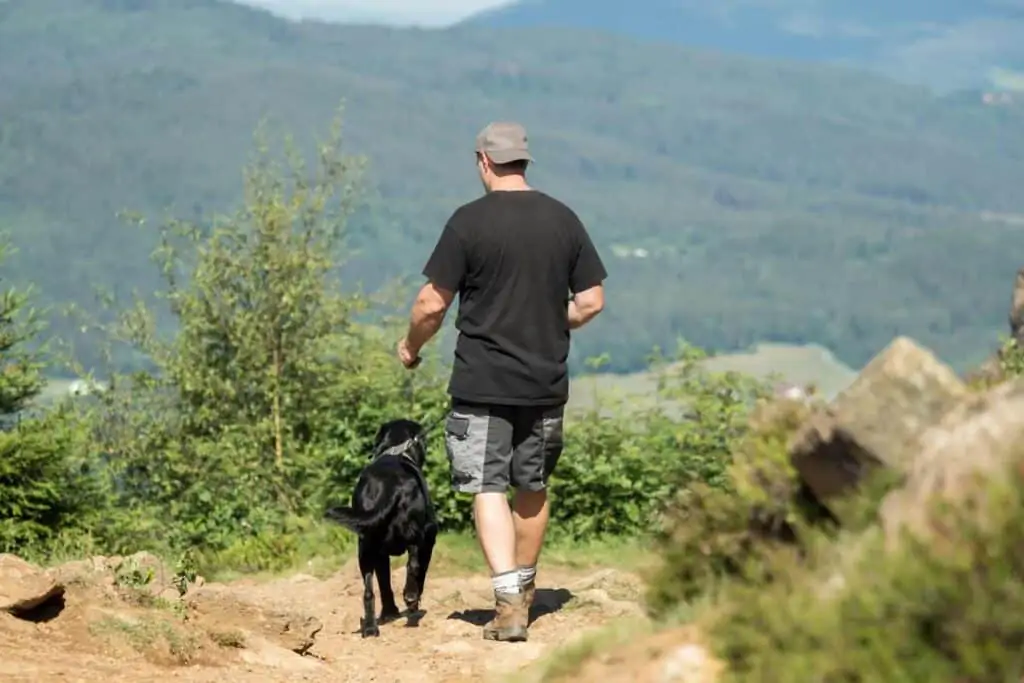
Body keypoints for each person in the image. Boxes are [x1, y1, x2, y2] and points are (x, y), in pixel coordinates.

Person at [396, 121, 607, 642]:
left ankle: (508, 599)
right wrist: (555, 321)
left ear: (484, 162)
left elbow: (430, 303)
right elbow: (591, 301)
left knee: (488, 486)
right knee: (531, 486)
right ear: (524, 161)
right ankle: (528, 590)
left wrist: (411, 347)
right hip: (545, 383)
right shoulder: (564, 219)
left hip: (483, 383)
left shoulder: (469, 223)